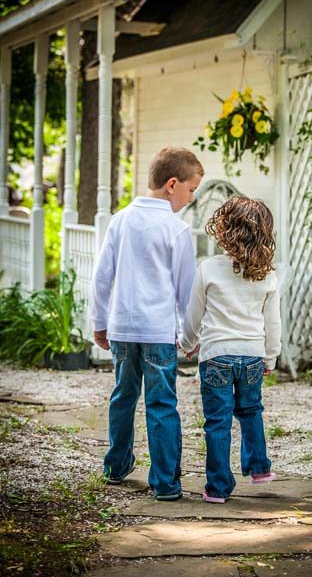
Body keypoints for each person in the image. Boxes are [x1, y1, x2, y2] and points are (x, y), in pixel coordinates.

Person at [90, 146, 203, 501]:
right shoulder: (177, 230)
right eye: (191, 188)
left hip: (122, 328)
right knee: (161, 404)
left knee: (123, 396)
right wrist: (190, 335)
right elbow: (187, 291)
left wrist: (99, 322)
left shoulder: (121, 219)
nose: (192, 196)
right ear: (172, 184)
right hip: (157, 334)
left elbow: (101, 276)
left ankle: (116, 466)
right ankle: (166, 483)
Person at [179, 196, 281, 503]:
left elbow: (193, 314)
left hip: (216, 357)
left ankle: (219, 487)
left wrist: (186, 343)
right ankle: (259, 467)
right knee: (251, 410)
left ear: (223, 230)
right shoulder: (267, 275)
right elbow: (272, 323)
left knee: (218, 421)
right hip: (251, 355)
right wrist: (270, 356)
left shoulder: (209, 269)